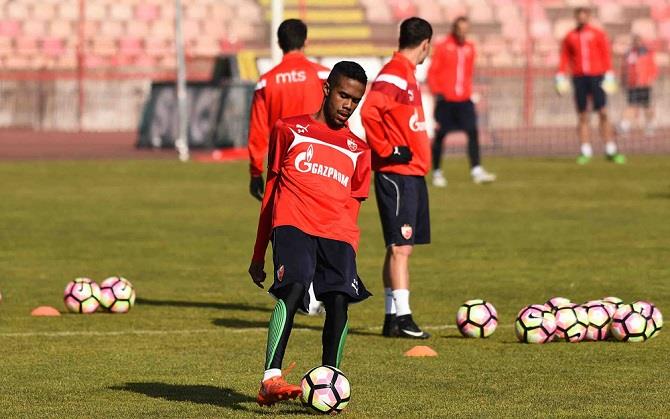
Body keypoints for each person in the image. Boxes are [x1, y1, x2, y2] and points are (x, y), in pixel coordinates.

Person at [248, 61, 371, 407]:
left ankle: (330, 380)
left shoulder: (360, 151)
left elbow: (353, 207)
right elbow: (271, 193)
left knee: (340, 299)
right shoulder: (289, 130)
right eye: (343, 95)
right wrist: (259, 253)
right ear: (327, 89)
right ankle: (270, 379)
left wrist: (348, 250)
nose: (348, 105)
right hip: (293, 223)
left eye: (355, 100)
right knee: (294, 286)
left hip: (337, 234)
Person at [360, 17, 433, 339]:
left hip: (411, 173)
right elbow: (369, 111)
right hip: (397, 174)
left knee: (397, 247)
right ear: (425, 44)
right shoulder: (394, 73)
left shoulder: (405, 73)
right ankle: (404, 318)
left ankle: (391, 317)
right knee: (401, 248)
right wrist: (387, 149)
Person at [247, 19, 330, 201]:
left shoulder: (266, 82)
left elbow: (257, 131)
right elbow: (339, 118)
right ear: (306, 41)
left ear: (279, 44)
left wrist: (256, 172)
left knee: (284, 214)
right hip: (320, 162)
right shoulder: (324, 76)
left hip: (282, 163)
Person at [427, 16, 496, 187]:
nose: (463, 32)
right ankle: (437, 171)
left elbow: (468, 72)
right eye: (460, 29)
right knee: (441, 135)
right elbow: (433, 71)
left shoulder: (470, 48)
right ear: (454, 29)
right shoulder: (443, 46)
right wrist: (437, 92)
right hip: (446, 99)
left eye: (466, 29)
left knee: (472, 131)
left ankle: (476, 169)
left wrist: (469, 91)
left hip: (464, 99)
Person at [555, 7, 625, 165]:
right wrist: (560, 75)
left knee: (603, 112)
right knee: (582, 114)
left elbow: (605, 54)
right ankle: (585, 150)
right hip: (579, 77)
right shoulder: (570, 36)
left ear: (588, 17)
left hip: (597, 76)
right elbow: (564, 57)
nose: (582, 19)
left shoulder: (597, 34)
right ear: (576, 18)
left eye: (584, 16)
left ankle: (610, 149)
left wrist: (609, 73)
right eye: (579, 16)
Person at [619, 34, 658, 137]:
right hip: (633, 84)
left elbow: (653, 67)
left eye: (638, 41)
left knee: (647, 106)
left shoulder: (647, 53)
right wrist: (623, 81)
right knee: (631, 105)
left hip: (644, 84)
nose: (637, 43)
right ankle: (624, 126)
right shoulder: (629, 53)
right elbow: (625, 68)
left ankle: (650, 125)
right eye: (635, 41)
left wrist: (650, 79)